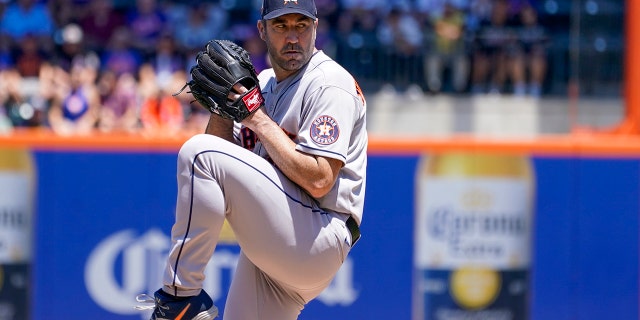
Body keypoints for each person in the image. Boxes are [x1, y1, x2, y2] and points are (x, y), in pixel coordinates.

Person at [137, 0, 367, 319]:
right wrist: (220, 107)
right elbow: (219, 170)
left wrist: (256, 117)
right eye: (281, 26)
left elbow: (319, 180)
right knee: (205, 153)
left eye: (301, 25)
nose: (292, 37)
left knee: (197, 151)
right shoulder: (264, 82)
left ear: (316, 28)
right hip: (277, 246)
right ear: (262, 30)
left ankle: (181, 295)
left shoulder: (328, 82)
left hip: (318, 233)